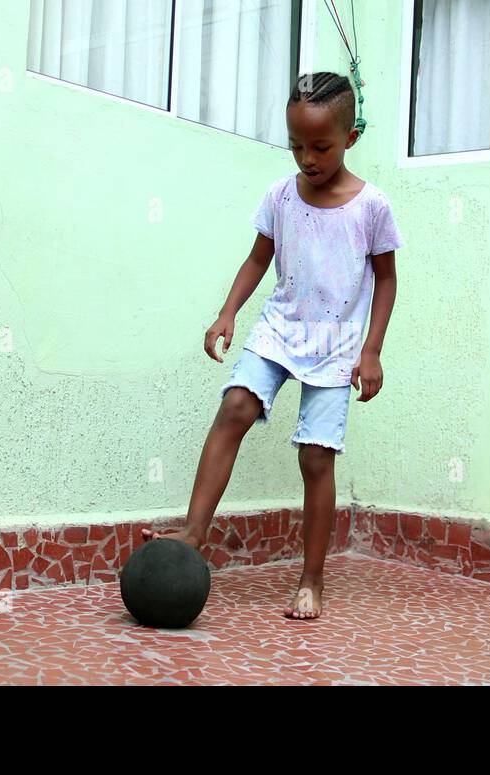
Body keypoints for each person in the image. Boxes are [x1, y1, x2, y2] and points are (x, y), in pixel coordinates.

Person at [142, 71, 405, 620]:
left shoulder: (371, 206)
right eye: (296, 145)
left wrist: (372, 349)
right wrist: (227, 312)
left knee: (316, 457)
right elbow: (259, 258)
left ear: (351, 138)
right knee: (235, 405)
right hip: (280, 329)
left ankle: (312, 580)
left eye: (320, 146)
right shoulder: (280, 196)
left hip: (336, 346)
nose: (307, 158)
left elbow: (386, 279)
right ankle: (193, 531)